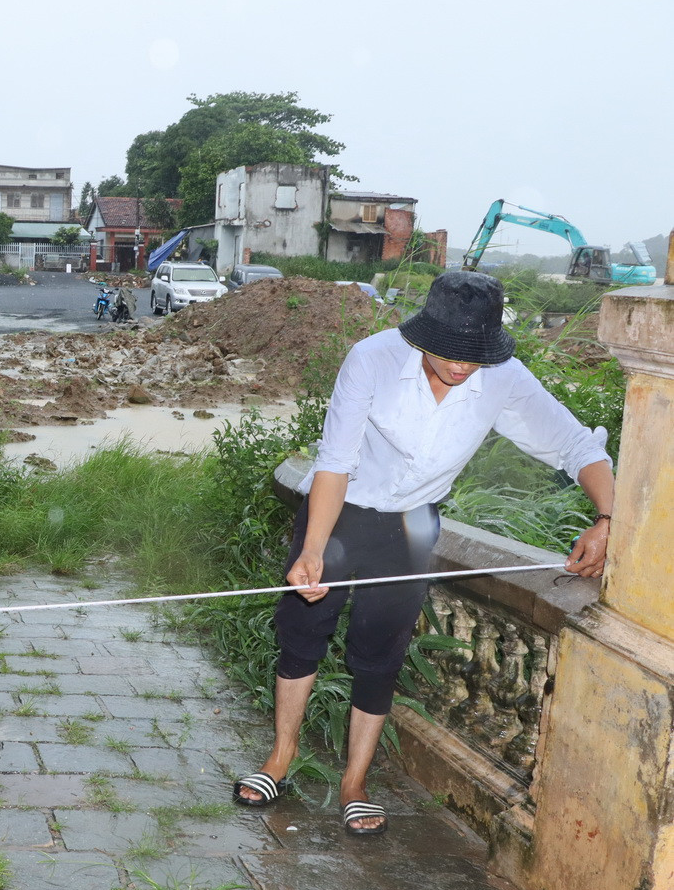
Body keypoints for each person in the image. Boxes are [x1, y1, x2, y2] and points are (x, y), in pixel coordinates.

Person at [232, 271, 612, 835]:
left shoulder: (503, 377)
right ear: (421, 334)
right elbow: (335, 460)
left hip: (412, 525)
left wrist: (607, 518)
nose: (461, 367)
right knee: (303, 631)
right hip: (342, 511)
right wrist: (314, 549)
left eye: (474, 356)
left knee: (380, 651)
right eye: (450, 353)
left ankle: (354, 783)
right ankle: (279, 758)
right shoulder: (372, 359)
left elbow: (575, 444)